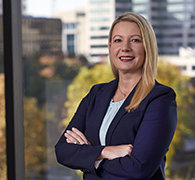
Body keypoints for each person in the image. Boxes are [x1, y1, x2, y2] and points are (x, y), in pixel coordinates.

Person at [54, 12, 177, 180]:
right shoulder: (96, 94)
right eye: (118, 40)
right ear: (110, 47)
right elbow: (62, 150)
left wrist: (92, 158)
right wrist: (106, 152)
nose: (125, 47)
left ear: (147, 47)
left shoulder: (160, 98)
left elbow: (138, 170)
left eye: (135, 40)